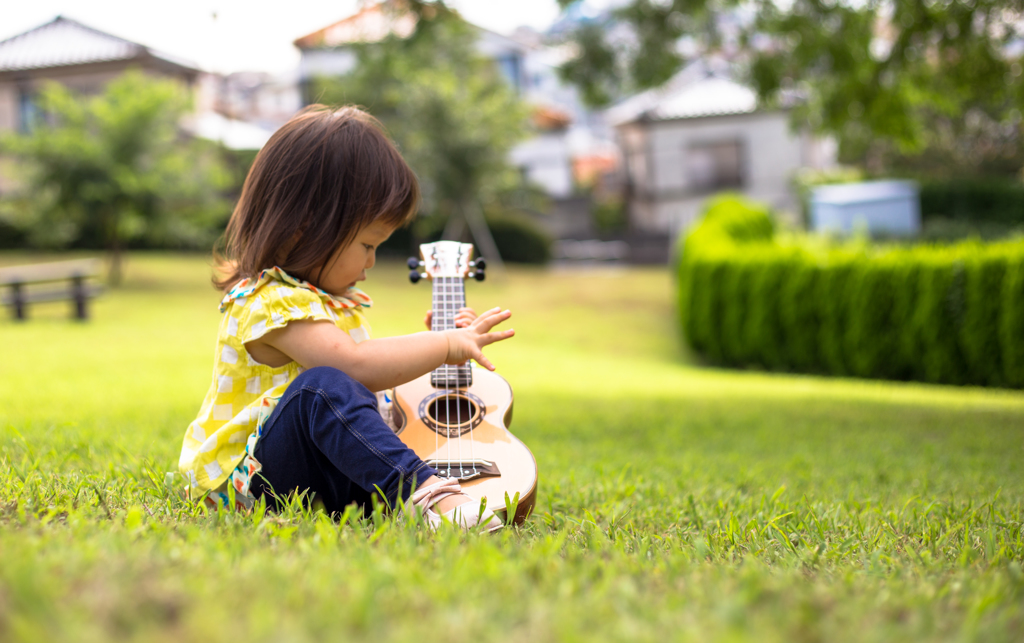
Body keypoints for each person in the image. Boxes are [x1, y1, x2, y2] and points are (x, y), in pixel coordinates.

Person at [177, 105, 514, 532]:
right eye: (367, 244)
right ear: (303, 230)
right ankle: (428, 495)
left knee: (355, 398)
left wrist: (434, 347)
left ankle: (414, 494)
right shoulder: (270, 301)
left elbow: (371, 392)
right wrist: (445, 345)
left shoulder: (327, 301)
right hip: (254, 483)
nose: (372, 261)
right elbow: (354, 366)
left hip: (321, 475)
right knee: (322, 388)